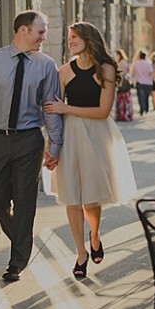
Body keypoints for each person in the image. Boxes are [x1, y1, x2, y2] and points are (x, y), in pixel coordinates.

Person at [0, 10, 63, 282]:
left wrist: (55, 145)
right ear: (23, 30)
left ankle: (17, 261)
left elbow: (50, 109)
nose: (44, 37)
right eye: (40, 32)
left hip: (29, 139)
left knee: (25, 199)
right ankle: (22, 238)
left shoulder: (46, 65)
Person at [43, 21, 138, 279]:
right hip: (70, 137)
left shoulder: (105, 69)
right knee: (72, 196)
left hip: (97, 135)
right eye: (69, 37)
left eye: (75, 37)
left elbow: (103, 111)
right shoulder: (63, 71)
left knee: (91, 198)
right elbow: (52, 114)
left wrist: (66, 108)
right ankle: (81, 252)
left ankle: (95, 234)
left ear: (88, 38)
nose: (70, 41)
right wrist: (50, 147)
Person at [131, 51, 154, 116]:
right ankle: (146, 109)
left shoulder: (136, 63)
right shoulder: (148, 63)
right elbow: (151, 72)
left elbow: (133, 72)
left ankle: (142, 108)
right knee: (146, 97)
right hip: (148, 83)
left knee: (141, 97)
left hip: (139, 82)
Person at [114, 48, 134, 122]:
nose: (115, 57)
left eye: (116, 55)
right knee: (125, 100)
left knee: (122, 100)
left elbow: (121, 72)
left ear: (119, 55)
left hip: (123, 83)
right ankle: (126, 115)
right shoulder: (124, 62)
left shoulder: (121, 63)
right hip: (125, 83)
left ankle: (123, 115)